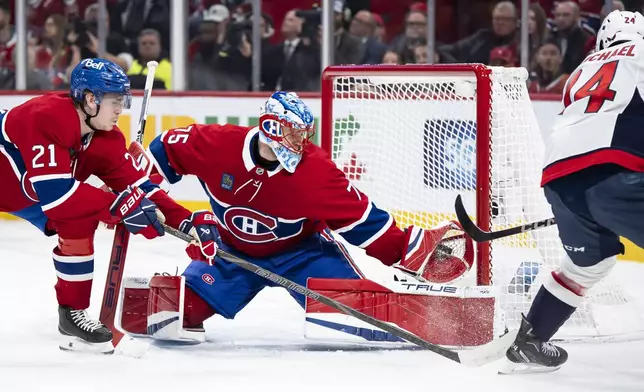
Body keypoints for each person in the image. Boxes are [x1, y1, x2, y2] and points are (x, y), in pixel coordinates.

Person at [116, 91, 475, 343]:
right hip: (230, 253)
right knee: (162, 315)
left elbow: (365, 224)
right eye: (291, 133)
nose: (299, 142)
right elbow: (161, 154)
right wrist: (135, 179)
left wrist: (411, 249)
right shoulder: (215, 144)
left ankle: (447, 320)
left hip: (303, 254)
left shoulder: (316, 173)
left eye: (303, 134)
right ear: (271, 128)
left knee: (367, 322)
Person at [0, 58, 200, 353]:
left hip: (24, 192)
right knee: (73, 207)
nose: (121, 108)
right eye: (115, 101)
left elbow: (138, 187)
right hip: (25, 187)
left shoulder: (105, 139)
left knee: (79, 220)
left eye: (123, 100)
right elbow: (58, 198)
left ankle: (71, 312)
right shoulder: (46, 117)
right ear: (90, 99)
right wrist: (121, 206)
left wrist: (187, 221)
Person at [504, 11, 644, 373]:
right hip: (617, 173)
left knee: (587, 265)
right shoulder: (641, 53)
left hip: (559, 180)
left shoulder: (580, 70)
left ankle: (531, 338)